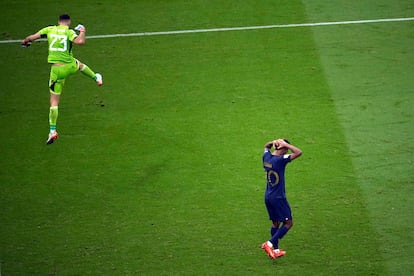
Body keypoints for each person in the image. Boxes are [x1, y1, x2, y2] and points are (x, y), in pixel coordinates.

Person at [21, 14, 103, 145]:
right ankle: (96, 77)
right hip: (69, 66)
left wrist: (26, 42)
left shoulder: (49, 30)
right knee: (79, 64)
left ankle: (52, 131)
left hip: (56, 70)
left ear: (58, 22)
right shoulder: (69, 31)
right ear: (68, 22)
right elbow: (80, 42)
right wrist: (82, 31)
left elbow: (31, 37)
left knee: (54, 102)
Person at [261, 138, 302, 259]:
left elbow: (266, 146)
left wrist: (272, 143)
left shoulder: (266, 157)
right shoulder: (280, 160)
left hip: (268, 196)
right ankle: (268, 244)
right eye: (286, 149)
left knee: (275, 223)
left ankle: (276, 250)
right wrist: (285, 144)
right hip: (278, 198)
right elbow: (298, 152)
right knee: (288, 223)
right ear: (283, 148)